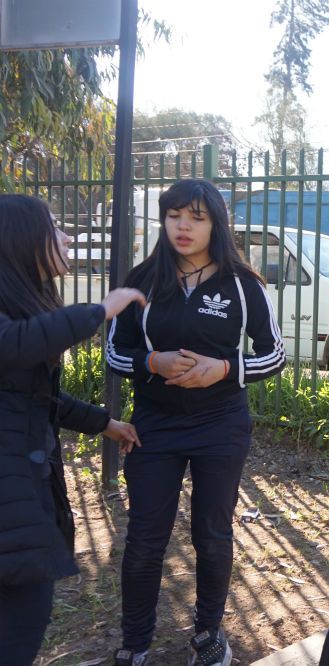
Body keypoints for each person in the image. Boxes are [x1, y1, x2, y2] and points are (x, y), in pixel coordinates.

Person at [106, 179, 285, 666]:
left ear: (216, 224)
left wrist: (225, 369)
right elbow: (113, 351)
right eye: (174, 215)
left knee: (212, 533)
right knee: (145, 539)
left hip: (220, 425)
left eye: (197, 217)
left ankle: (208, 634)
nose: (183, 226)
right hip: (155, 426)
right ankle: (135, 642)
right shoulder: (141, 280)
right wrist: (152, 363)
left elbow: (274, 355)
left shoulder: (244, 284)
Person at [0, 194, 144, 666]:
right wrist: (99, 311)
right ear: (21, 240)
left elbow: (35, 398)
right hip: (10, 494)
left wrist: (106, 423)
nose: (68, 236)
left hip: (22, 490)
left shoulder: (21, 303)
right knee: (21, 623)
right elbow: (12, 345)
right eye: (55, 226)